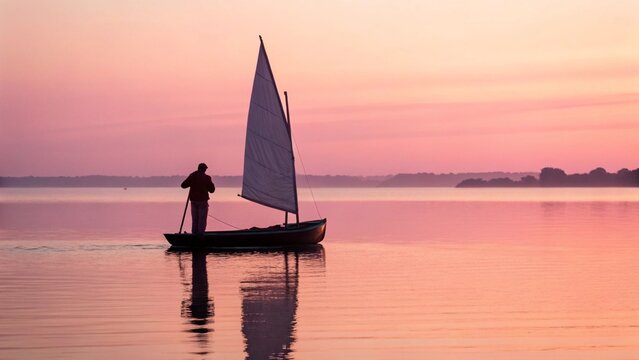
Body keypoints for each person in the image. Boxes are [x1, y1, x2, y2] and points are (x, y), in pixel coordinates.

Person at [181, 163, 215, 235]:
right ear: (204, 169)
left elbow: (183, 185)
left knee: (195, 219)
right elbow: (212, 190)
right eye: (205, 169)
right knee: (202, 219)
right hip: (202, 201)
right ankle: (200, 235)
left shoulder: (192, 175)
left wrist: (191, 182)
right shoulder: (207, 178)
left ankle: (194, 233)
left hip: (193, 201)